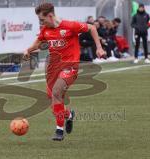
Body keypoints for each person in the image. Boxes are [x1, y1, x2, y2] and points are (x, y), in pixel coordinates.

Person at [23, 3, 105, 141]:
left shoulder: (69, 26)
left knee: (56, 92)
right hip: (52, 67)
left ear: (50, 15)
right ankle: (69, 115)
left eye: (42, 20)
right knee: (54, 101)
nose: (41, 23)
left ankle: (59, 131)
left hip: (70, 66)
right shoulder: (46, 30)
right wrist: (28, 50)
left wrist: (99, 48)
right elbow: (38, 43)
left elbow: (91, 27)